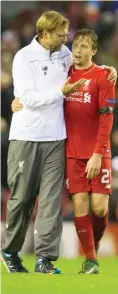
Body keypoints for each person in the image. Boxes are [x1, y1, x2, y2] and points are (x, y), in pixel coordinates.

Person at [6, 19, 117, 274]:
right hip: (47, 143)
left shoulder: (84, 66)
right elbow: (32, 91)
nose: (73, 47)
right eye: (71, 41)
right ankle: (13, 251)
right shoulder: (43, 63)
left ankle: (73, 253)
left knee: (78, 206)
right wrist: (18, 99)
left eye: (80, 44)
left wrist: (109, 70)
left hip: (77, 146)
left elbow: (105, 108)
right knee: (33, 200)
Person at [2, 10, 86, 274]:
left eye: (66, 33)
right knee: (23, 199)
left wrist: (107, 70)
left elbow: (85, 68)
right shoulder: (24, 57)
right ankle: (10, 251)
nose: (66, 37)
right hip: (26, 136)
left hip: (56, 138)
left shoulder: (64, 54)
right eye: (61, 33)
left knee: (51, 201)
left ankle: (44, 259)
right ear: (45, 33)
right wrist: (59, 92)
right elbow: (27, 97)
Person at [64, 28, 116, 274]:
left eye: (85, 46)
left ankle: (92, 247)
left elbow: (107, 118)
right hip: (72, 152)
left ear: (94, 51)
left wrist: (98, 153)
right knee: (81, 204)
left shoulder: (103, 76)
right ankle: (92, 260)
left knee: (99, 208)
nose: (78, 50)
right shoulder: (64, 73)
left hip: (98, 151)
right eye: (76, 45)